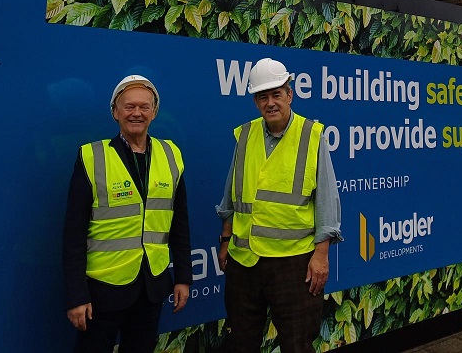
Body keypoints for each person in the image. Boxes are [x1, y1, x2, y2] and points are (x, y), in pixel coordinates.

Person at [216, 58, 342, 353]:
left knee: (297, 344)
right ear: (255, 101)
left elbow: (327, 199)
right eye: (263, 96)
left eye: (276, 94)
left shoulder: (312, 135)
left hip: (294, 264)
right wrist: (225, 240)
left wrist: (321, 255)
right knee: (240, 342)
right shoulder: (244, 135)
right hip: (245, 261)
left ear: (290, 94)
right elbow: (231, 194)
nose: (270, 102)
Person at [63, 75, 191, 353]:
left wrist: (182, 276)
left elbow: (179, 223)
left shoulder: (171, 155)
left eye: (144, 107)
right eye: (129, 106)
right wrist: (76, 296)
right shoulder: (92, 157)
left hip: (152, 287)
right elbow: (73, 234)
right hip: (102, 291)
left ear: (154, 112)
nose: (137, 113)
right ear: (115, 112)